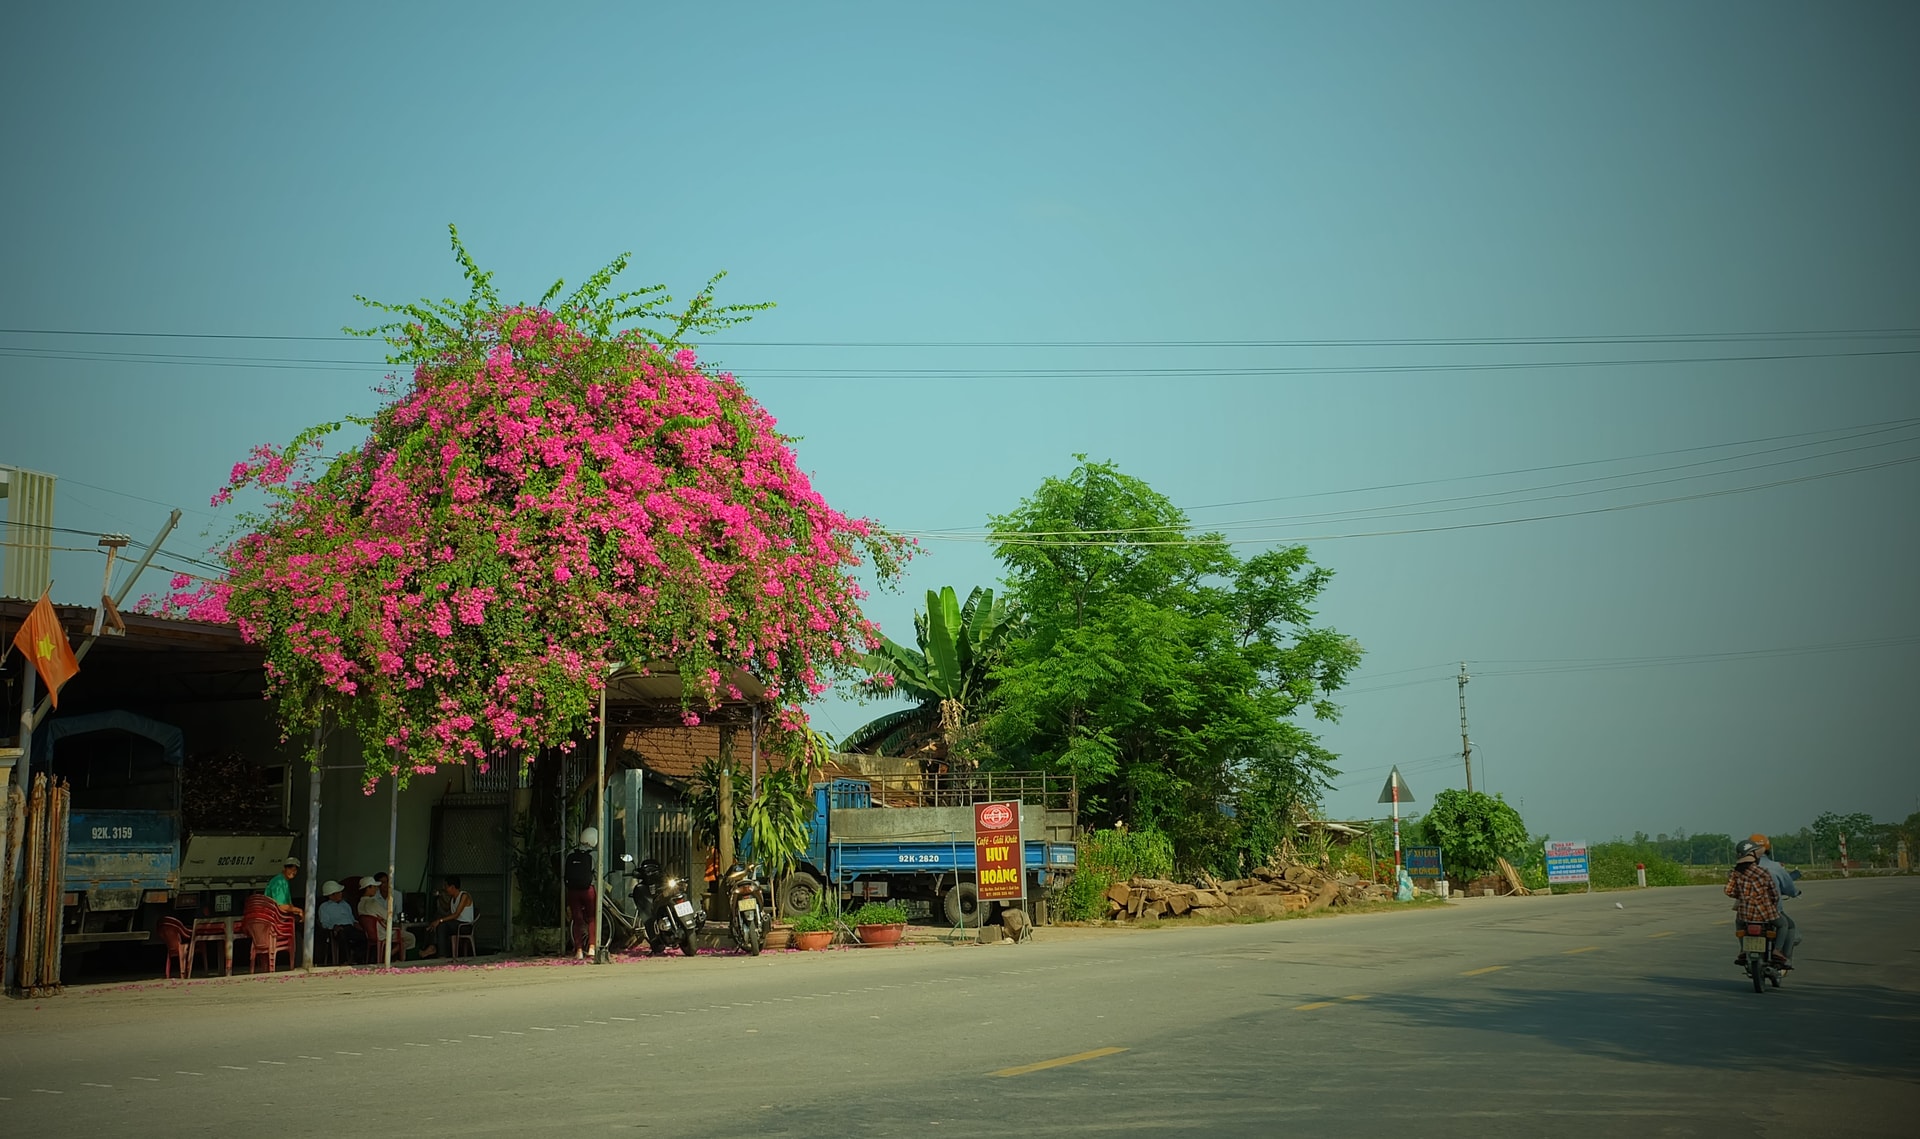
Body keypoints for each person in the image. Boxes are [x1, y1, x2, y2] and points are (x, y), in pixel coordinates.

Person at [1726, 839, 1784, 968]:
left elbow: (1728, 891)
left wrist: (1742, 896)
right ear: (1753, 856)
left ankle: (1742, 949)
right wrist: (1772, 903)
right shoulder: (1763, 872)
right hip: (1766, 912)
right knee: (1783, 925)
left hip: (1745, 913)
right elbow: (1774, 893)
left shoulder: (1735, 873)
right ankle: (1777, 950)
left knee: (1739, 924)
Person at [1750, 832, 1802, 965]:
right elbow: (1789, 888)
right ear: (1767, 849)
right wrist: (1795, 893)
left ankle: (1743, 950)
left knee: (1740, 923)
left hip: (1748, 911)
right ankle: (1782, 954)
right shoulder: (1776, 867)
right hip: (1771, 911)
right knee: (1788, 926)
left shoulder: (1744, 867)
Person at [564, 827, 600, 961]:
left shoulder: (570, 853)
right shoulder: (594, 855)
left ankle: (578, 950)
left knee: (577, 920)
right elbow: (596, 873)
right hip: (588, 890)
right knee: (591, 918)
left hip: (573, 891)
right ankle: (591, 948)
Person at [419, 876, 475, 959]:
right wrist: (440, 897)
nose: (444, 888)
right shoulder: (452, 898)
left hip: (465, 925)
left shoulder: (464, 896)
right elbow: (446, 908)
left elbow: (456, 914)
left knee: (442, 925)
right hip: (456, 924)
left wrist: (440, 920)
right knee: (434, 923)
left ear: (452, 887)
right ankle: (432, 947)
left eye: (446, 886)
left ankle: (442, 954)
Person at [358, 878, 416, 957]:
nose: (376, 889)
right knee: (410, 938)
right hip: (383, 933)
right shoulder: (372, 903)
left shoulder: (360, 904)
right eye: (374, 887)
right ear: (368, 888)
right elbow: (388, 916)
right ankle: (389, 955)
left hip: (370, 934)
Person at [315, 881, 366, 963]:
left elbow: (351, 918)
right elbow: (324, 922)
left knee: (362, 936)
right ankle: (345, 961)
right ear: (331, 895)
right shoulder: (324, 907)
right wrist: (334, 927)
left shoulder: (345, 904)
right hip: (337, 929)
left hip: (350, 927)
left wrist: (356, 923)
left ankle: (356, 959)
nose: (341, 894)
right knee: (342, 936)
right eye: (338, 892)